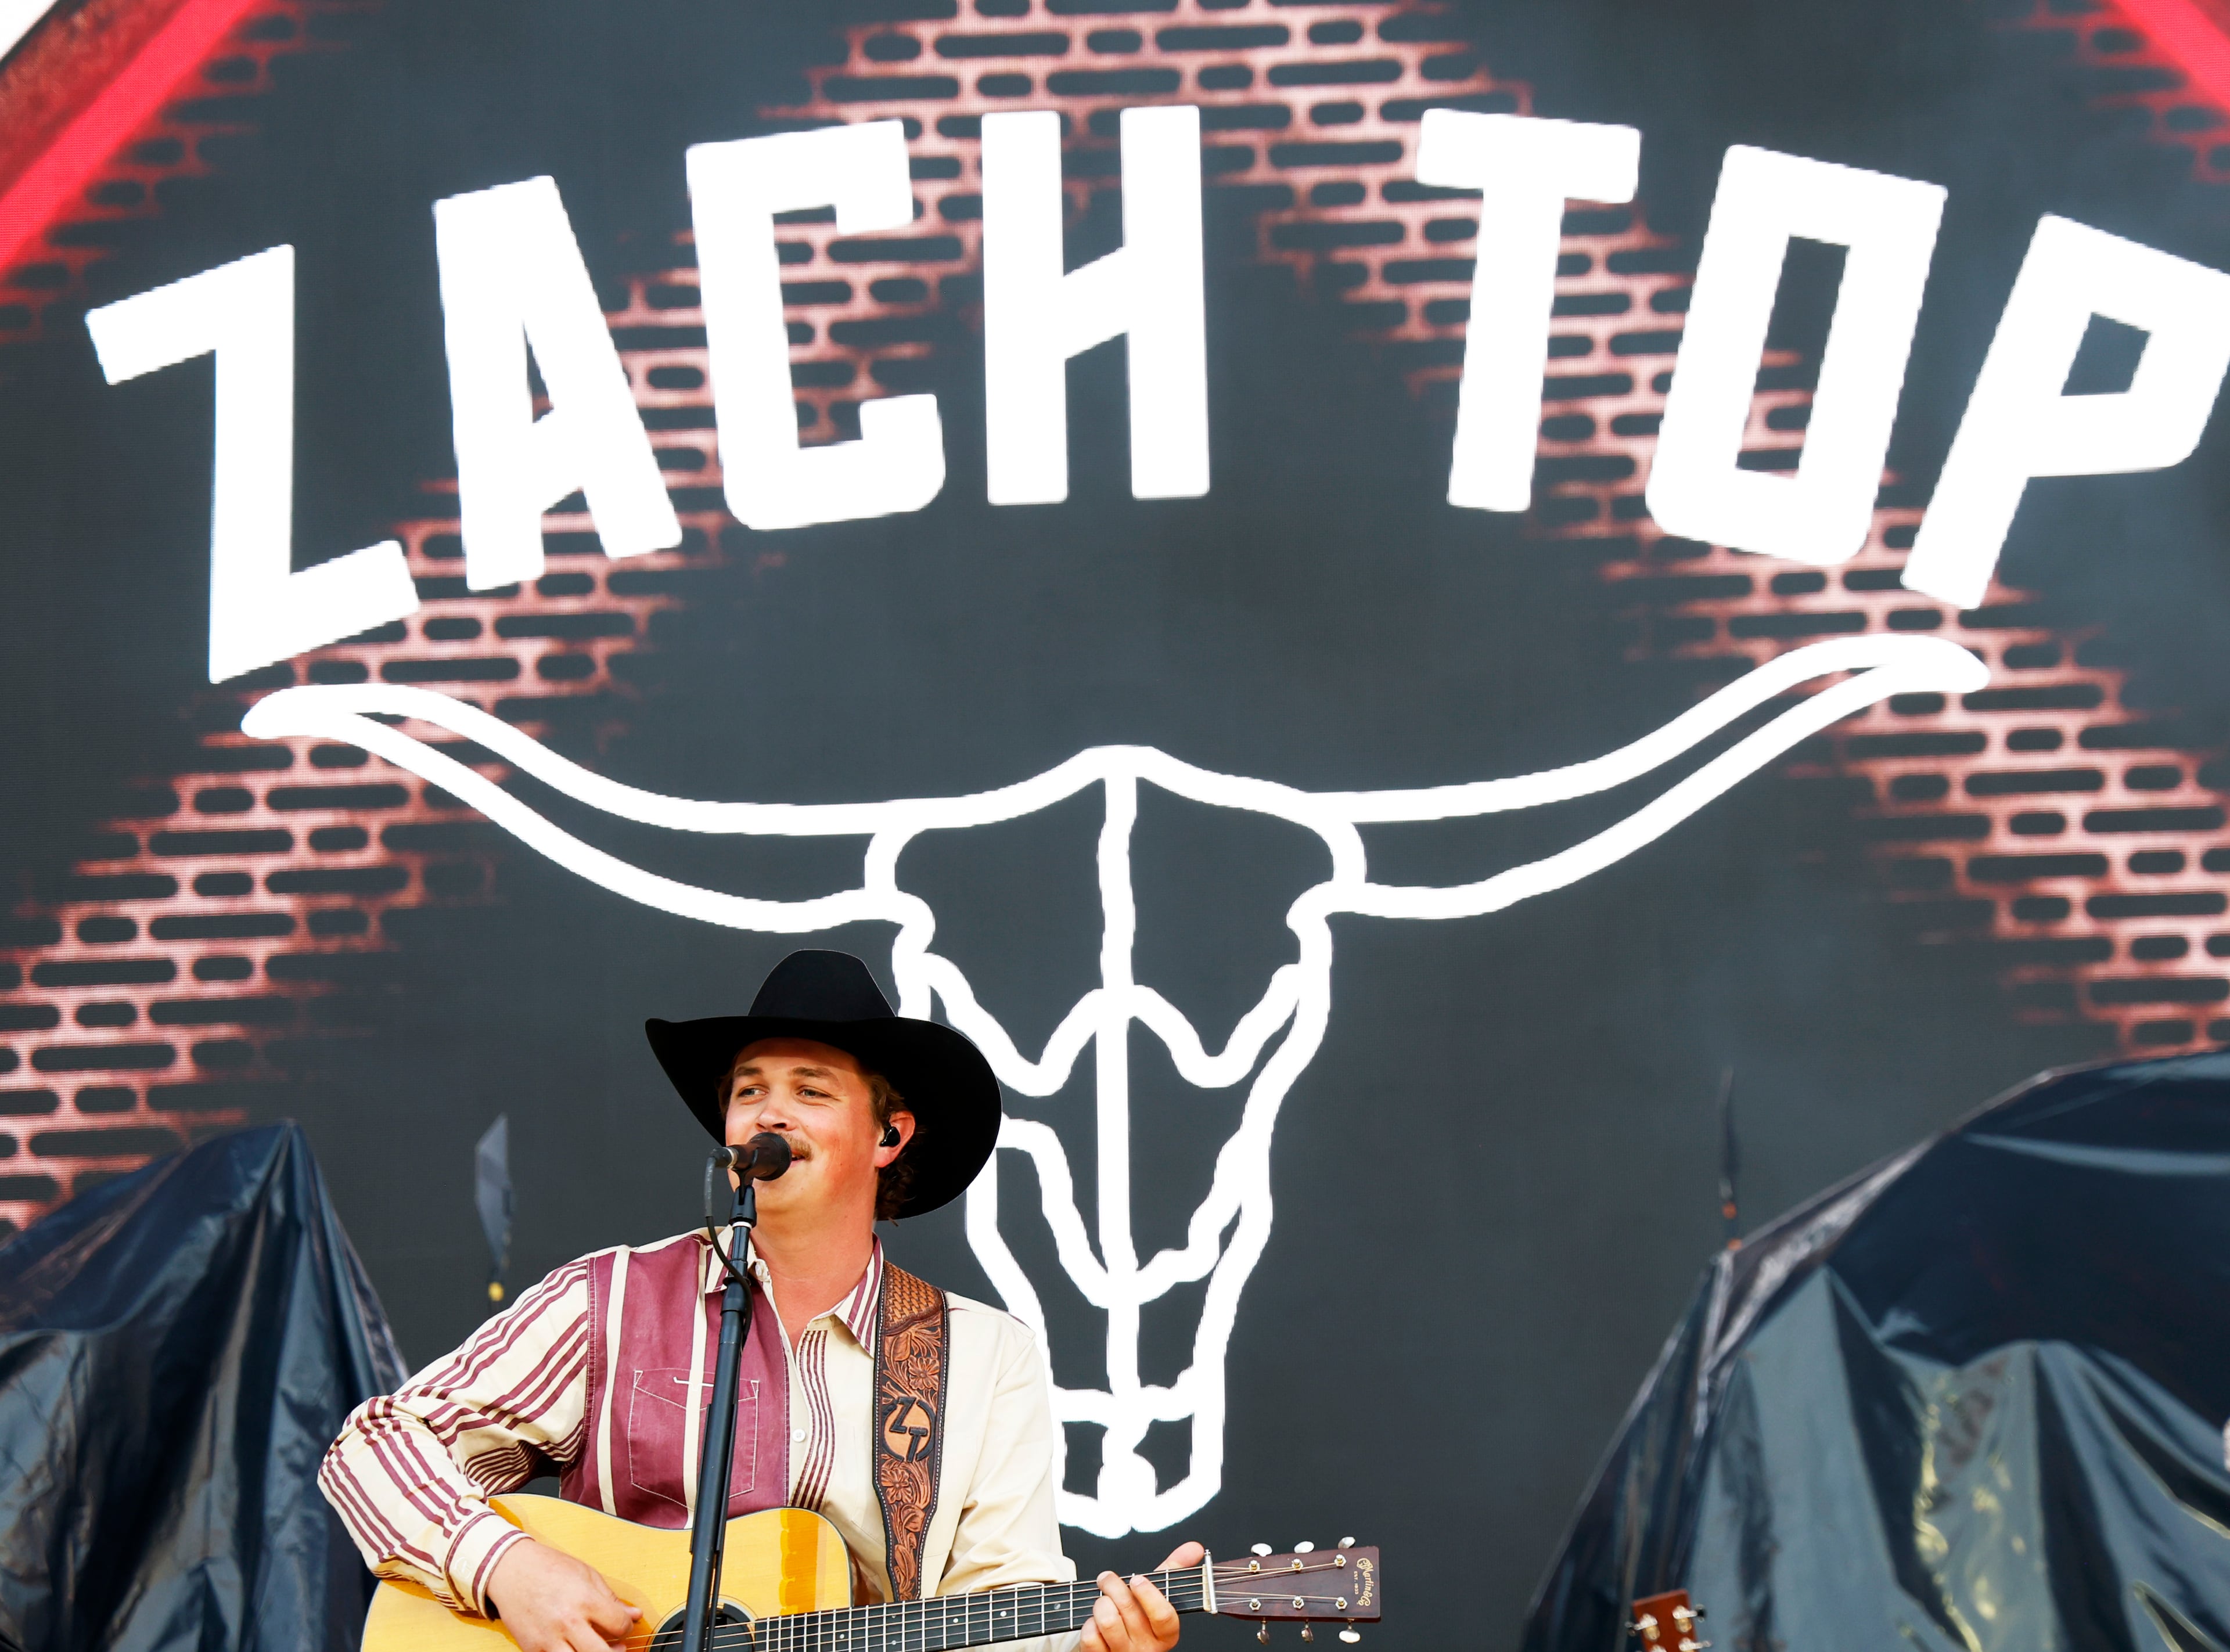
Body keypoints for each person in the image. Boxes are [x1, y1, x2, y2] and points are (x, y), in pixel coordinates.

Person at [321, 949, 1200, 1652]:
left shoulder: (985, 1355)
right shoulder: (611, 1296)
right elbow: (373, 1447)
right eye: (749, 1090)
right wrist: (510, 1567)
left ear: (888, 1133)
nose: (767, 1114)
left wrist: (1088, 1651)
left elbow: (1002, 1612)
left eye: (810, 1090)